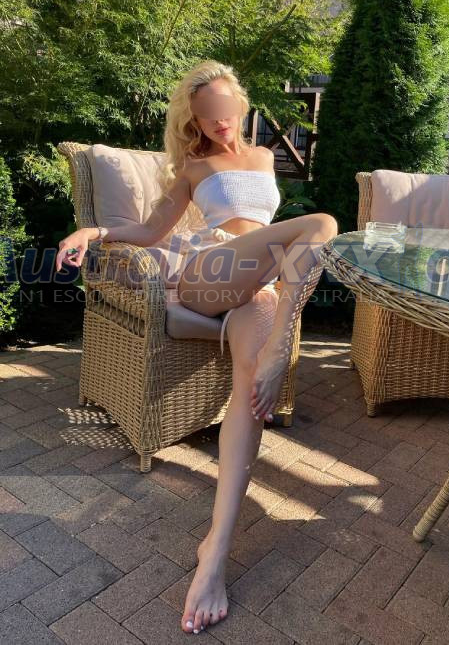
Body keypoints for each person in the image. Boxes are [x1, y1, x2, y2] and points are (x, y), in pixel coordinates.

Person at [56, 60, 338, 635]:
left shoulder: (265, 158)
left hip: (257, 290)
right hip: (207, 273)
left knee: (250, 393)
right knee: (323, 222)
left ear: (241, 104)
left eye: (225, 109)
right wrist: (94, 230)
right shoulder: (192, 167)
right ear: (194, 119)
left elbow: (271, 236)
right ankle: (285, 340)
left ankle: (216, 551)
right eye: (206, 114)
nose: (219, 121)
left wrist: (279, 278)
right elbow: (149, 233)